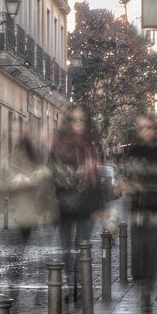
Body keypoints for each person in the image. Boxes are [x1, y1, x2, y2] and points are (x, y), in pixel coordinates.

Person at [118, 115, 157, 311]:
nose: (145, 131)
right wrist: (126, 185)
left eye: (149, 127)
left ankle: (147, 291)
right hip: (138, 210)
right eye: (142, 128)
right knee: (137, 252)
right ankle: (142, 281)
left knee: (152, 251)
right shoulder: (133, 152)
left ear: (155, 129)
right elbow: (123, 177)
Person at [49, 107, 103, 287]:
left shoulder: (92, 146)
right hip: (64, 203)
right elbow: (51, 174)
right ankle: (69, 282)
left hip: (86, 204)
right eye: (72, 120)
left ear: (86, 123)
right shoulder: (59, 145)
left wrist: (98, 207)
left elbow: (96, 177)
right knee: (66, 249)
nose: (76, 124)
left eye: (80, 120)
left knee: (82, 247)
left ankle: (79, 286)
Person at [5, 127, 53, 250]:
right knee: (24, 230)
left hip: (30, 199)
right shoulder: (21, 154)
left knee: (25, 230)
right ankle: (16, 250)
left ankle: (17, 249)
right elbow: (13, 173)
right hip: (24, 199)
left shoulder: (35, 154)